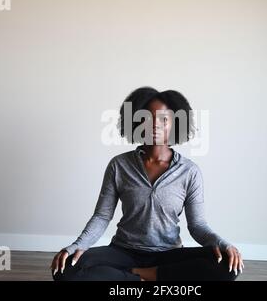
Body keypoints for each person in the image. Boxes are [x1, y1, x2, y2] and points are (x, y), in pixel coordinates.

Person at [51, 87, 243, 281]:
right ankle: (146, 280)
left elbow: (198, 225)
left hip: (168, 254)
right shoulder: (119, 165)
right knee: (64, 268)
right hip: (123, 252)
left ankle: (138, 276)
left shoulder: (189, 171)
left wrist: (223, 244)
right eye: (147, 118)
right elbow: (102, 216)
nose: (155, 125)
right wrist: (78, 245)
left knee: (228, 265)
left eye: (163, 119)